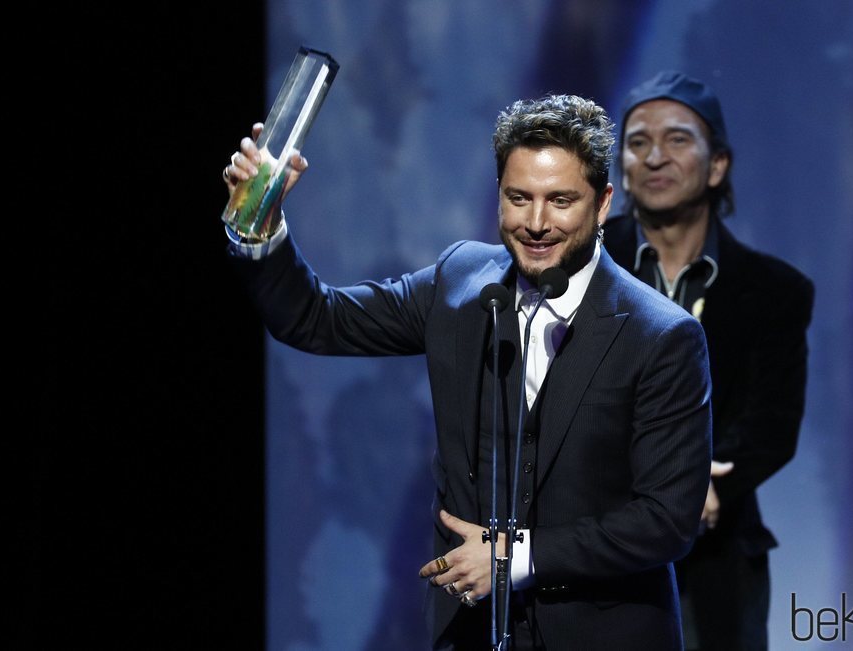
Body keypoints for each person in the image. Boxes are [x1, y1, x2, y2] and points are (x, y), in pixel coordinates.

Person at [222, 94, 712, 650]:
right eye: (518, 198)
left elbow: (666, 521)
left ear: (602, 204)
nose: (536, 223)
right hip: (468, 631)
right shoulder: (461, 282)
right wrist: (259, 221)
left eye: (560, 201)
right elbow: (317, 319)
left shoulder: (661, 336)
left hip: (603, 632)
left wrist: (516, 557)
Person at [602, 71, 815, 650]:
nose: (653, 156)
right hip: (589, 548)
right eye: (637, 141)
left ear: (717, 164)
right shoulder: (577, 268)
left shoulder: (775, 290)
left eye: (676, 139)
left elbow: (772, 427)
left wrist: (702, 486)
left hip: (716, 552)